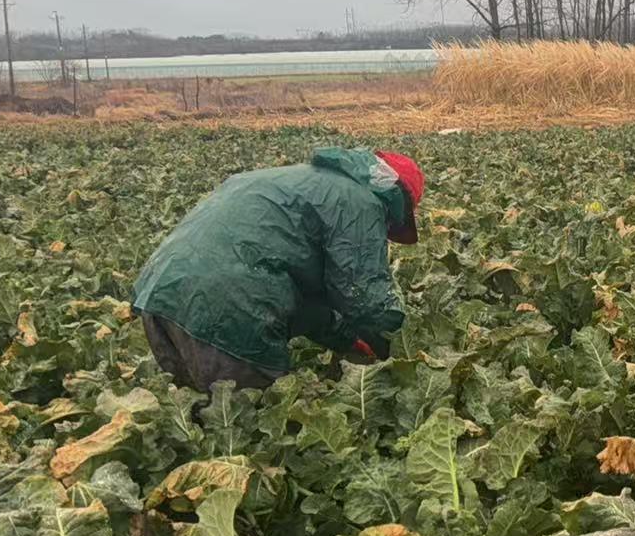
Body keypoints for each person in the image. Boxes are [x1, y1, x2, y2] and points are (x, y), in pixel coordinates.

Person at [131, 148, 424, 390]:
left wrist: (347, 339)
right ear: (397, 202)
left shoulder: (301, 180)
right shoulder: (361, 202)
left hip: (159, 295)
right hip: (228, 309)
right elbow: (364, 298)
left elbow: (302, 302)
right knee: (250, 425)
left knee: (208, 420)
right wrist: (402, 352)